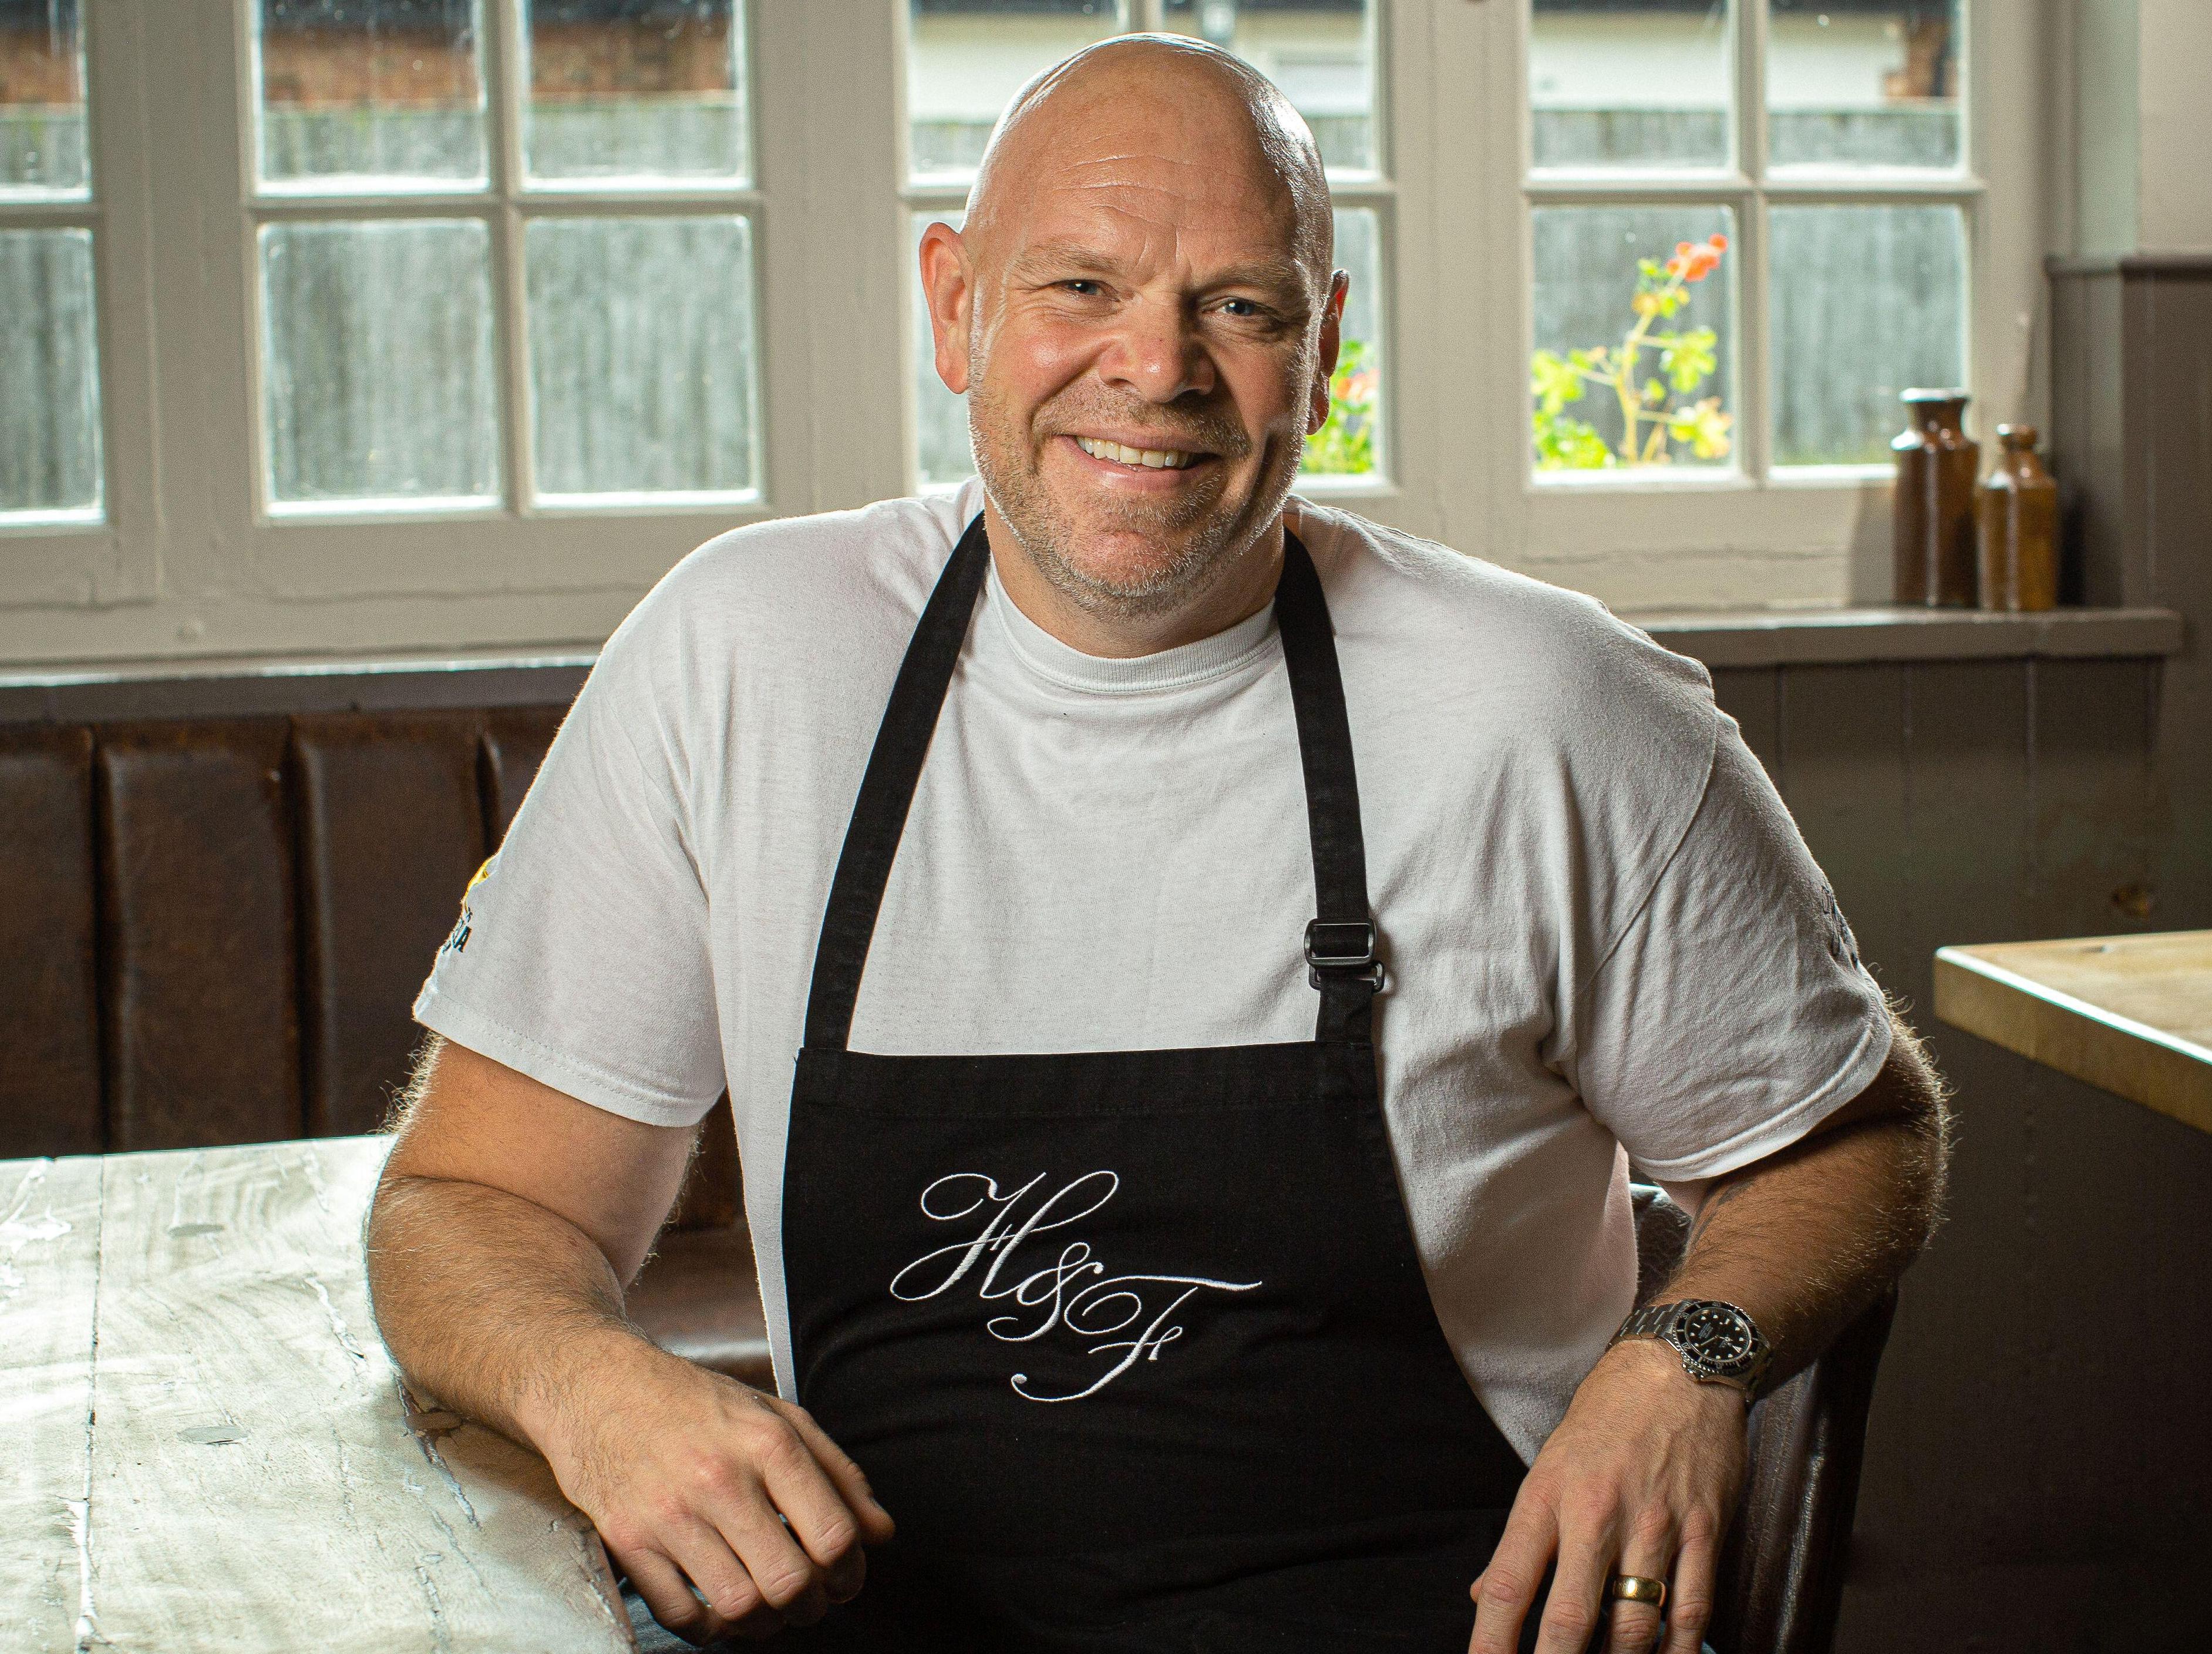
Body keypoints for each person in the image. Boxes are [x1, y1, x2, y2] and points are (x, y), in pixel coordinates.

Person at [368, 34, 1948, 1654]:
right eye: (1078, 288)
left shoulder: (1545, 709)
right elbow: (466, 1202)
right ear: (953, 306)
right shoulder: (742, 660)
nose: (1157, 368)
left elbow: (1851, 1136)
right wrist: (593, 1389)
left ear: (1324, 344)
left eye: (1239, 307)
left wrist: (1681, 1354)